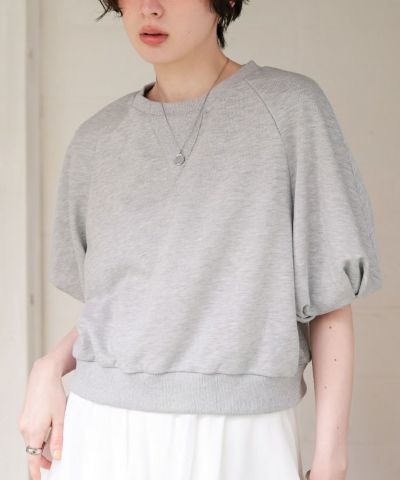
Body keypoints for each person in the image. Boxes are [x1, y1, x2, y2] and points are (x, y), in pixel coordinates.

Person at [18, 1, 383, 479]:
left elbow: (329, 299)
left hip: (240, 434)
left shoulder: (290, 109)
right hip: (101, 431)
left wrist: (331, 456)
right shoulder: (97, 140)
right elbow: (124, 307)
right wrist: (48, 367)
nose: (150, 8)